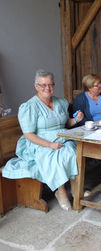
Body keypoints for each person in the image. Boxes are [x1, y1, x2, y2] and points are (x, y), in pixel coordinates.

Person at [2, 69, 84, 211]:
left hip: (62, 137)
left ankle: (75, 187)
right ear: (36, 86)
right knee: (56, 154)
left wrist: (76, 120)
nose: (47, 88)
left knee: (72, 149)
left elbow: (65, 124)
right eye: (43, 85)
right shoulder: (29, 107)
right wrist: (49, 144)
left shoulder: (61, 102)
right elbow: (28, 135)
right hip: (38, 142)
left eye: (51, 84)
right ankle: (61, 190)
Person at [73, 74, 101, 181]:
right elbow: (78, 117)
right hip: (93, 128)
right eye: (96, 85)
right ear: (89, 88)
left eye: (100, 83)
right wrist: (93, 126)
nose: (100, 86)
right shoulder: (81, 98)